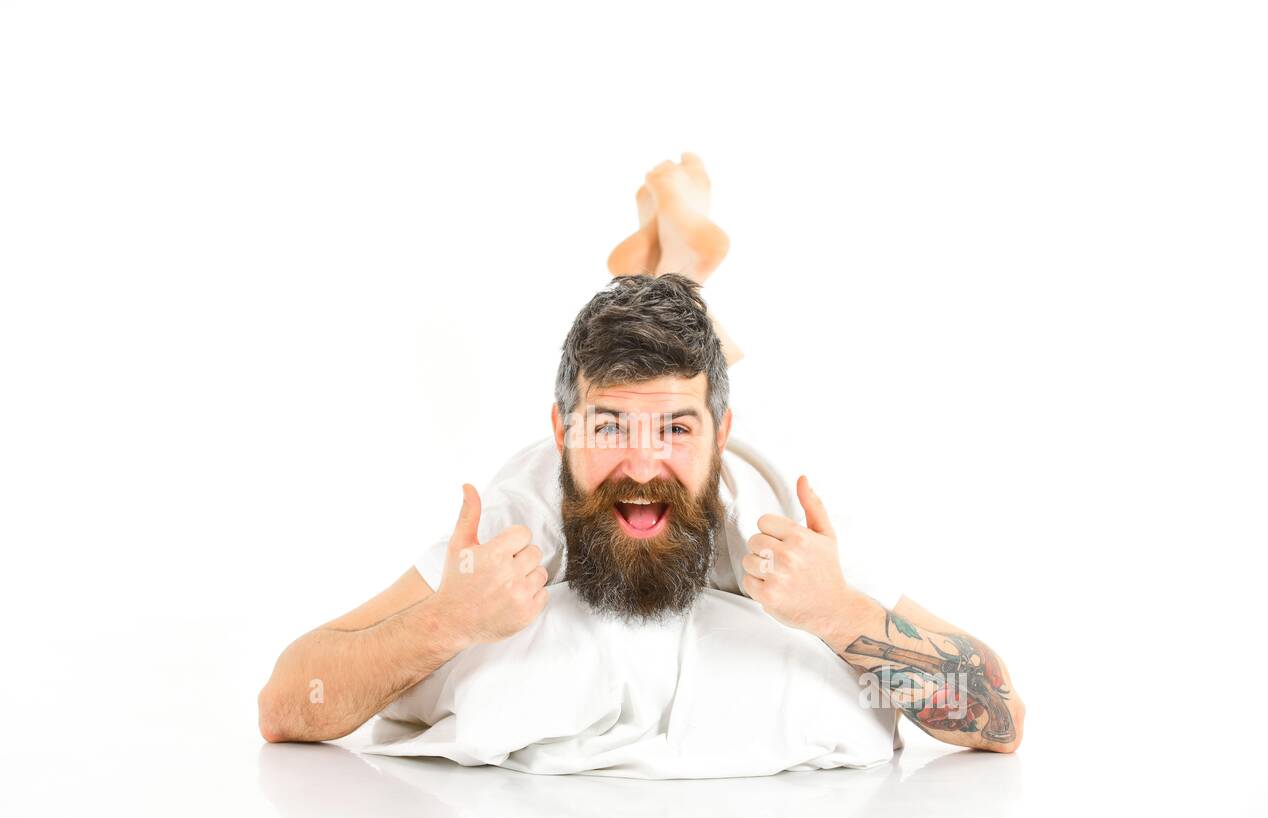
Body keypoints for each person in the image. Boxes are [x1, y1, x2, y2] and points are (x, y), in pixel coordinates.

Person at [257, 154, 1026, 772]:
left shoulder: (765, 509)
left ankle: (673, 272)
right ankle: (673, 272)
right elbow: (287, 700)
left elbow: (1000, 716)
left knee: (671, 353)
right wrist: (445, 620)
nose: (642, 461)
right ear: (560, 431)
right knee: (656, 355)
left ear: (723, 436)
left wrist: (841, 612)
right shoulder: (520, 513)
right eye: (609, 426)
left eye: (678, 429)